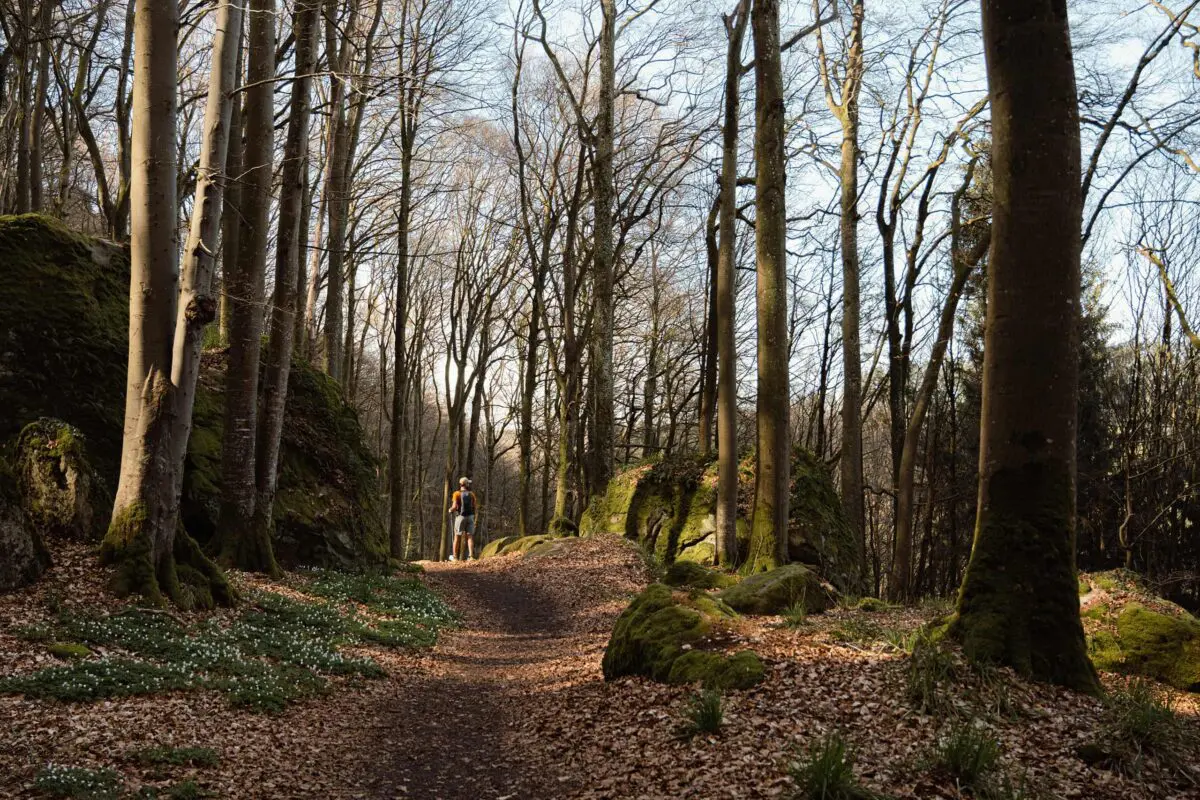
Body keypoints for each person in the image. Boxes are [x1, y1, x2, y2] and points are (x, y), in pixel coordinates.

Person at [448, 477, 477, 561]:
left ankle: (455, 557)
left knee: (457, 536)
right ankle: (471, 556)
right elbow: (475, 506)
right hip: (470, 517)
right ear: (467, 484)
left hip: (460, 517)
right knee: (470, 536)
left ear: (460, 484)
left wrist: (450, 510)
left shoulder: (456, 494)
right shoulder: (472, 494)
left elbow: (454, 507)